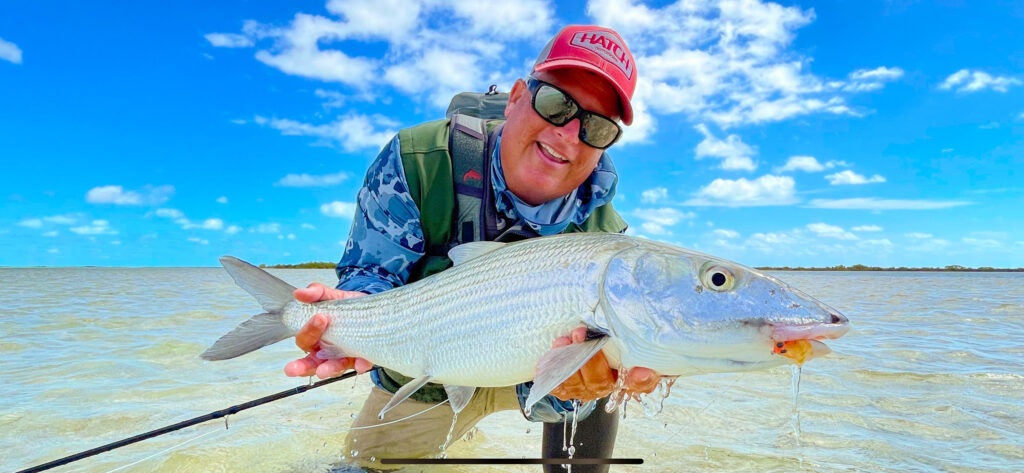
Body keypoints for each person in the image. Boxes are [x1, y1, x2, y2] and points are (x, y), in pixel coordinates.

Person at [285, 25, 659, 471]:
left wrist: (578, 387)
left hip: (537, 376)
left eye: (597, 127)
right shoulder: (418, 160)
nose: (570, 134)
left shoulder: (604, 232)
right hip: (427, 376)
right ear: (516, 97)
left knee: (604, 376)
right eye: (556, 104)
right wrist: (352, 318)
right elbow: (374, 274)